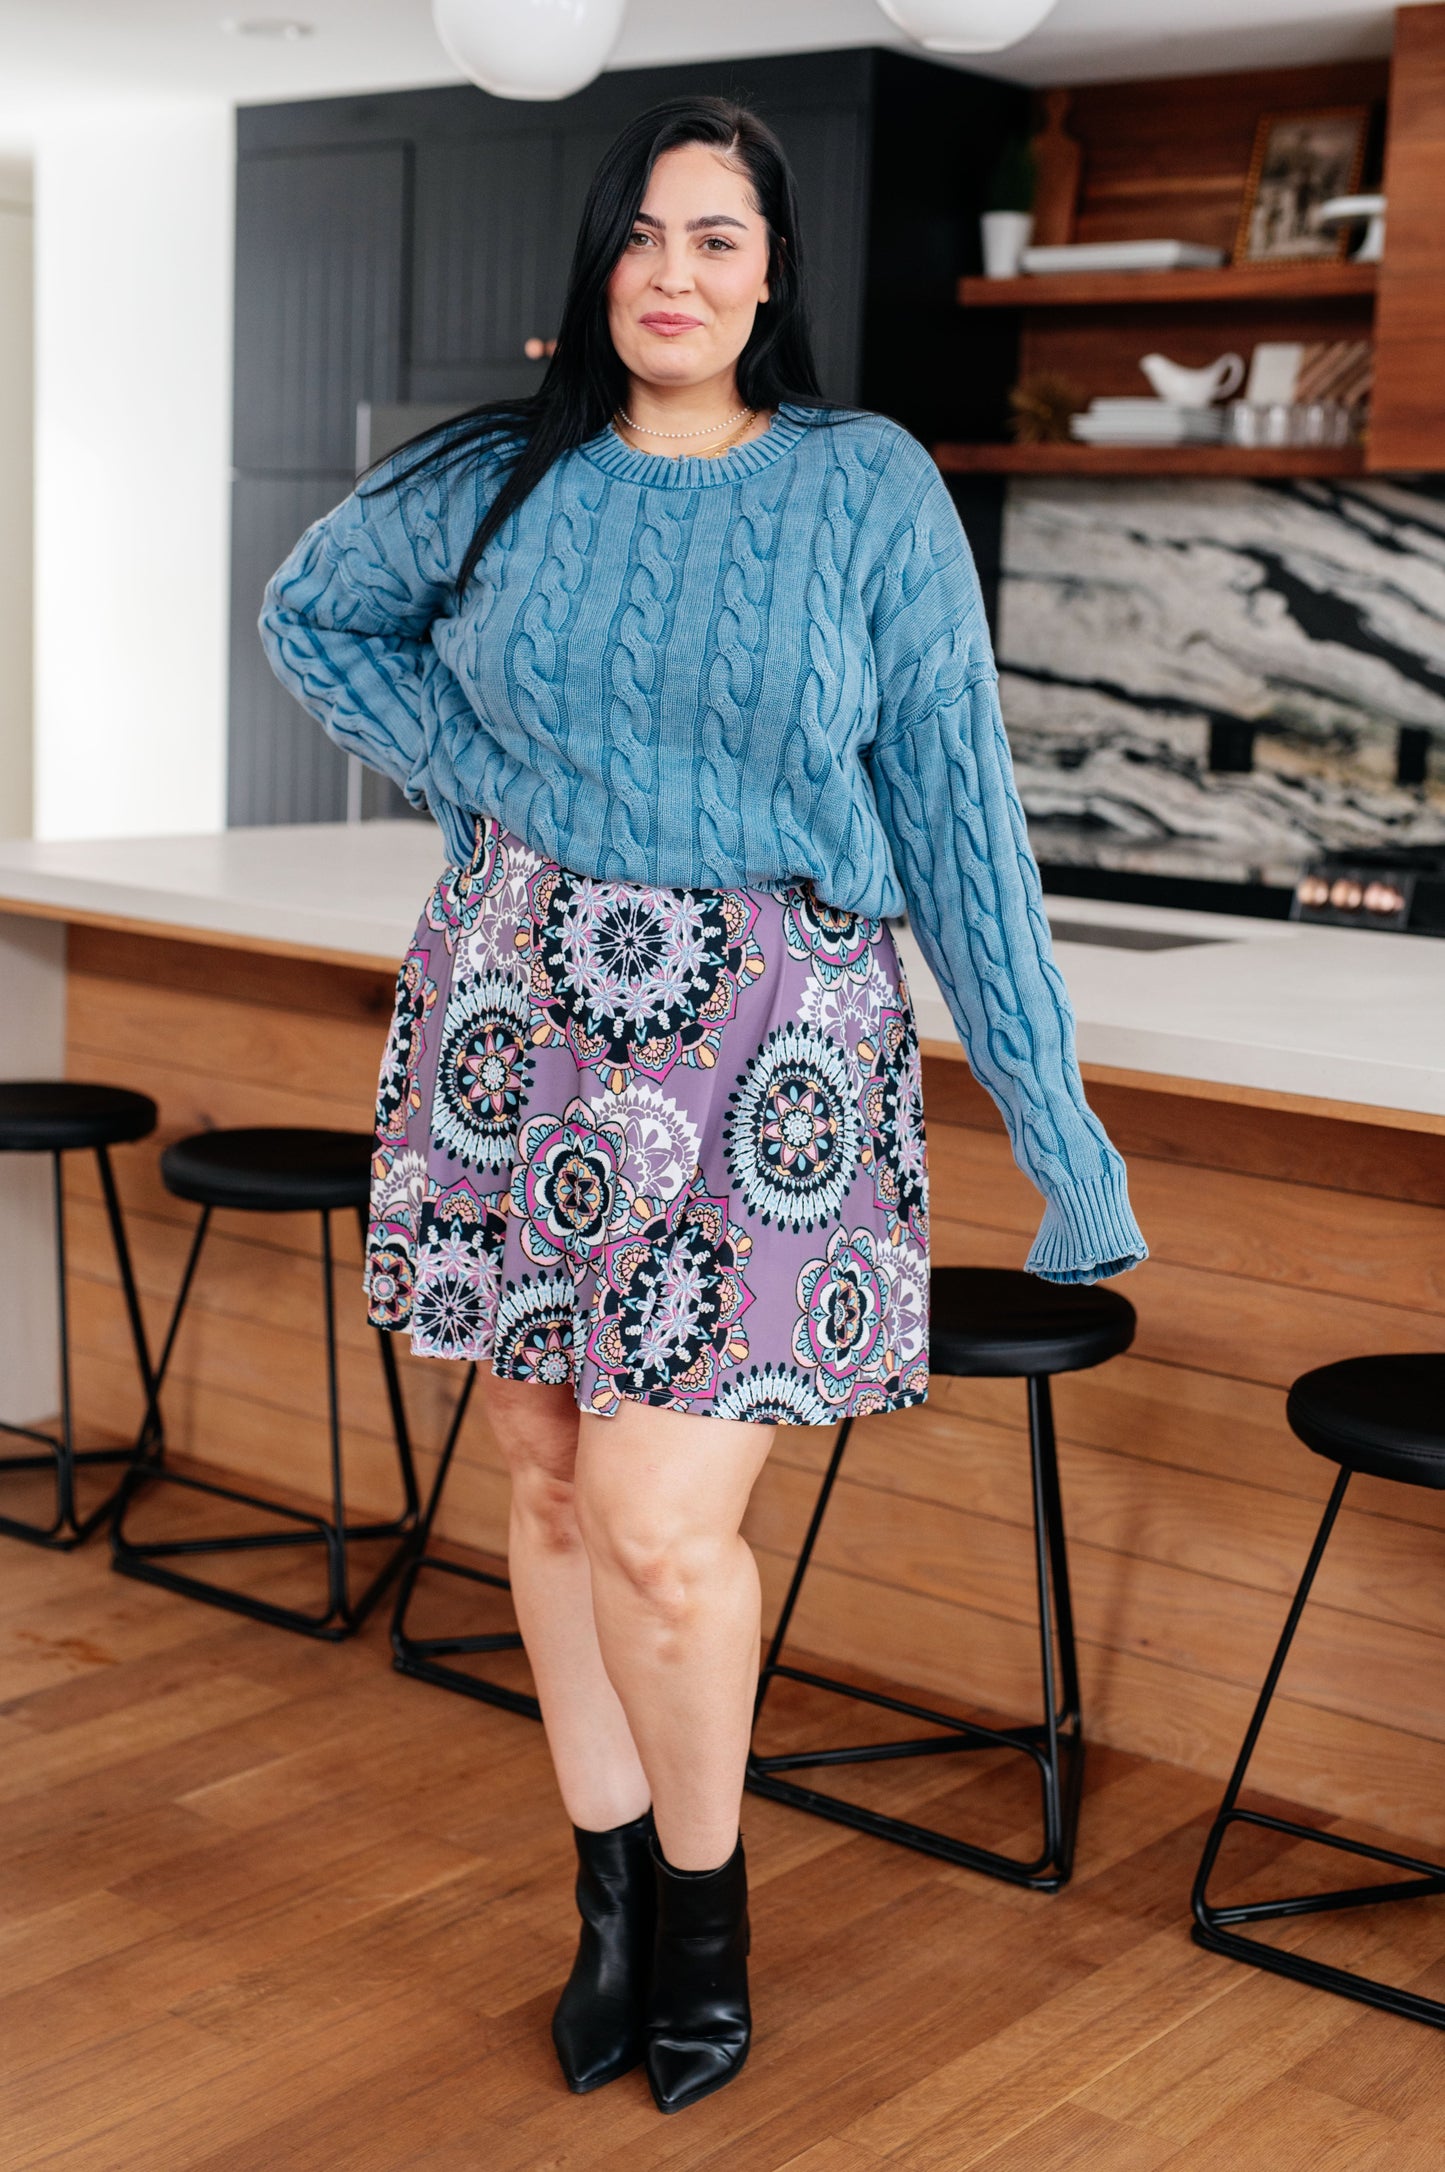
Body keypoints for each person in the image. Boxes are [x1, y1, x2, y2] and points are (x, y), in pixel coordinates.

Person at [258, 93, 1147, 2117]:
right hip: (516, 1026)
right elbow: (313, 614)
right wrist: (476, 786)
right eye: (645, 235)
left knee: (665, 1523)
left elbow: (955, 811)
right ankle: (606, 1914)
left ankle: (706, 1907)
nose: (675, 272)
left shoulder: (863, 488)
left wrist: (1053, 1113)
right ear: (600, 264)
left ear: (772, 276)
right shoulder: (498, 477)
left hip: (771, 1052)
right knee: (555, 1482)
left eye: (720, 240)